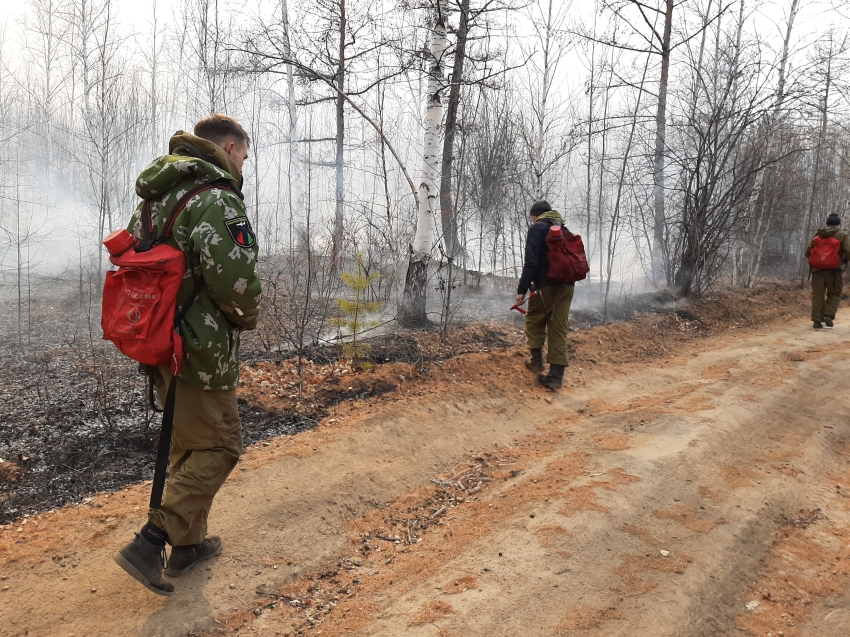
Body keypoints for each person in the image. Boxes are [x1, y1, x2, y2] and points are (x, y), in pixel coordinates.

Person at [113, 115, 262, 595]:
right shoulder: (217, 199)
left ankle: (189, 546)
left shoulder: (157, 199)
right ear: (231, 147)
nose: (244, 165)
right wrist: (246, 317)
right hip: (200, 349)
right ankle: (152, 540)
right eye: (244, 156)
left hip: (156, 338)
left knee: (189, 444)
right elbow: (234, 279)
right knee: (219, 447)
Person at [515, 200, 575, 389]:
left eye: (532, 216)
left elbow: (531, 262)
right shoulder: (563, 229)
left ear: (536, 215)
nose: (532, 220)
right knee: (558, 328)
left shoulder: (537, 229)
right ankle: (556, 376)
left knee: (534, 319)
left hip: (546, 285)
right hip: (568, 286)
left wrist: (521, 290)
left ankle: (536, 362)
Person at [805, 213, 850, 330]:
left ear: (827, 223)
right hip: (835, 270)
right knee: (835, 293)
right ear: (838, 224)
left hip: (817, 270)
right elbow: (848, 251)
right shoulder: (842, 235)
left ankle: (816, 320)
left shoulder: (818, 235)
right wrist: (844, 260)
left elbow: (807, 252)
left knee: (818, 295)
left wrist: (818, 260)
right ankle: (829, 315)